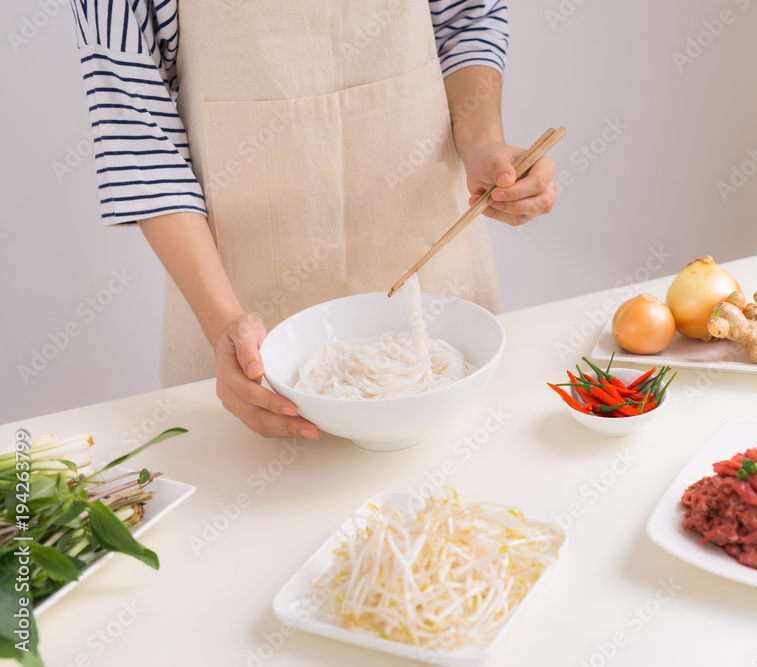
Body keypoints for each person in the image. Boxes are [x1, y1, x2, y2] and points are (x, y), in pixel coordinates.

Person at [70, 0, 558, 441]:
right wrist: (224, 324)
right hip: (242, 315)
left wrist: (484, 143)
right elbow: (137, 131)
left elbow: (465, 16)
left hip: (433, 272)